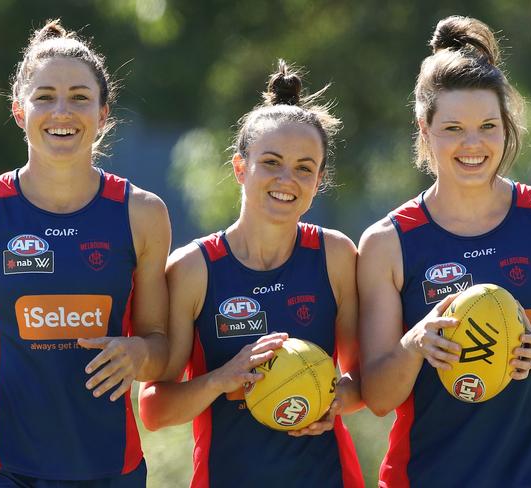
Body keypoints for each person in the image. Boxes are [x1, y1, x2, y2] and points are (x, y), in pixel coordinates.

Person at [358, 15, 531, 488]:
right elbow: (379, 398)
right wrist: (415, 344)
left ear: (506, 126)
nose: (473, 144)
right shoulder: (387, 242)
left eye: (488, 125)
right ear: (424, 130)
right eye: (453, 128)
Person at [0, 19, 170, 486]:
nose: (62, 111)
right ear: (19, 111)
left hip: (111, 469)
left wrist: (137, 352)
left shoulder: (142, 214)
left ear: (104, 114)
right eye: (44, 96)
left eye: (80, 98)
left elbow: (161, 347)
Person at [139, 60, 365, 488]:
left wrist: (330, 401)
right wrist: (222, 380)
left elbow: (361, 381)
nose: (287, 179)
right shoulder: (192, 269)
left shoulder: (335, 254)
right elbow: (154, 408)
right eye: (272, 162)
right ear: (241, 168)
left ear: (319, 180)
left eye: (304, 167)